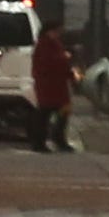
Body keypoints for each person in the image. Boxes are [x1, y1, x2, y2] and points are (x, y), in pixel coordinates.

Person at [28, 22, 78, 153]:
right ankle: (45, 141)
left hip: (55, 85)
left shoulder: (51, 44)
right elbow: (53, 62)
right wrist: (65, 61)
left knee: (56, 112)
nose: (58, 34)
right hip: (50, 85)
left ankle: (54, 139)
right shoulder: (46, 45)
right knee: (46, 114)